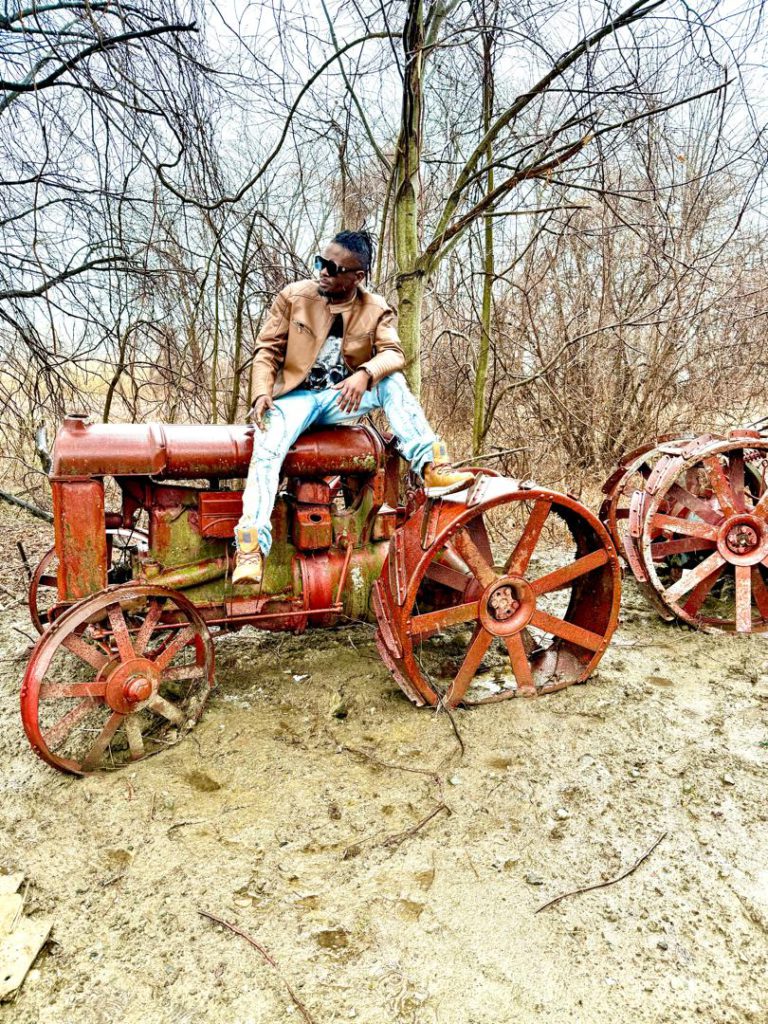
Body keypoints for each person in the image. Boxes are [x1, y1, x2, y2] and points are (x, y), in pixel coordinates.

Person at [233, 229, 473, 585]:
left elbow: (394, 354)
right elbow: (267, 349)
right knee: (267, 449)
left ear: (357, 276)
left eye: (333, 267)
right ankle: (250, 547)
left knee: (392, 382)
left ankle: (431, 465)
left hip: (340, 398)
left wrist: (365, 373)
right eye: (321, 262)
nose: (323, 271)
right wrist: (261, 392)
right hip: (295, 398)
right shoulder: (294, 297)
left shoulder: (375, 309)